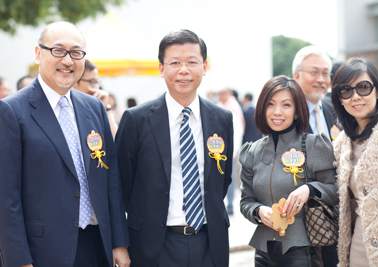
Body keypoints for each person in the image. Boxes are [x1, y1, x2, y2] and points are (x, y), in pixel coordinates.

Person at [0, 21, 130, 267]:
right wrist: (19, 260)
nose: (68, 60)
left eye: (76, 52)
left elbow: (110, 180)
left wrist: (119, 242)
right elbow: (6, 196)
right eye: (58, 50)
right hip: (43, 251)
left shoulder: (95, 108)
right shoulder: (11, 111)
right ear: (39, 54)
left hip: (97, 245)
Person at [115, 29, 233, 267]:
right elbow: (120, 186)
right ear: (161, 69)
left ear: (204, 66)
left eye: (192, 62)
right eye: (175, 62)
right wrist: (119, 242)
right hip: (154, 244)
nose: (184, 70)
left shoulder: (222, 118)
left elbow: (223, 180)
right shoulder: (136, 120)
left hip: (209, 242)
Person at [240, 75, 338, 267]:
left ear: (296, 111)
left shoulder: (313, 145)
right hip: (263, 254)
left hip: (302, 252)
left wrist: (310, 189)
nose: (277, 112)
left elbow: (336, 190)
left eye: (286, 105)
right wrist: (259, 211)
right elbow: (246, 201)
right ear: (262, 108)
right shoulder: (252, 151)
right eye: (270, 104)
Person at [331, 57, 378, 266]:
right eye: (346, 90)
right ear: (339, 99)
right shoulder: (342, 143)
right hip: (358, 247)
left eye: (363, 87)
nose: (355, 97)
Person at [293, 46, 340, 144]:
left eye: (325, 73)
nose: (321, 80)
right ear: (297, 77)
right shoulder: (286, 114)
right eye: (314, 72)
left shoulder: (336, 109)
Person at [74, 59, 118, 137]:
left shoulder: (96, 108)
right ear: (74, 81)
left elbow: (115, 140)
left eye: (97, 82)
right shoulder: (68, 110)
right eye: (92, 82)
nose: (97, 87)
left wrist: (106, 108)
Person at [217, 87, 244, 215]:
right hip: (217, 151)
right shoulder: (219, 105)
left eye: (222, 93)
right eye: (219, 93)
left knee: (230, 177)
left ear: (229, 94)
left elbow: (237, 133)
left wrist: (232, 152)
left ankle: (230, 204)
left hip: (229, 152)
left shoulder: (233, 108)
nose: (220, 96)